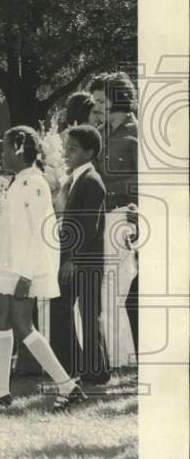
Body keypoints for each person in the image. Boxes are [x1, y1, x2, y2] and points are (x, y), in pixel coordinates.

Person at [0, 126, 86, 412]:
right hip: (9, 261)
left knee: (24, 325)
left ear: (20, 149)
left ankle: (66, 385)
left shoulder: (34, 183)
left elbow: (40, 232)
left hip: (24, 265)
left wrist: (26, 274)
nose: (2, 154)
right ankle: (1, 389)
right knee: (0, 316)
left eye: (5, 148)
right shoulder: (19, 181)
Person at [49, 124, 110, 385]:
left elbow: (89, 226)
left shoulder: (92, 181)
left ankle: (96, 371)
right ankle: (73, 364)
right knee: (62, 307)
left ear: (89, 152)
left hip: (85, 261)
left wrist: (74, 259)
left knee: (88, 313)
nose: (66, 154)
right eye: (66, 149)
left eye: (72, 150)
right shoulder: (75, 179)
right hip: (74, 258)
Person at [98, 72, 139, 369]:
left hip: (123, 217)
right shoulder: (101, 133)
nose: (98, 105)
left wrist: (108, 187)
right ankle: (111, 352)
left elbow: (144, 181)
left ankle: (126, 355)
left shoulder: (135, 134)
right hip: (101, 217)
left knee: (119, 287)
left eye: (103, 99)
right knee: (104, 290)